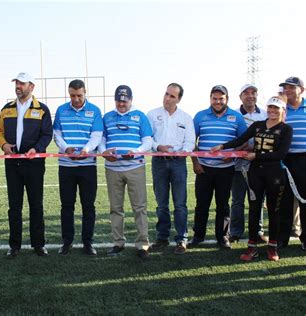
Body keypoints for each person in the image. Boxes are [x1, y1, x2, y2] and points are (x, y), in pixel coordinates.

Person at [212, 96, 292, 261]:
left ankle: (272, 246)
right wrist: (223, 146)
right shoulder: (257, 126)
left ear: (282, 110)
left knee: (273, 211)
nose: (272, 111)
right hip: (255, 173)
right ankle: (252, 247)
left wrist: (255, 155)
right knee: (254, 209)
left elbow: (281, 154)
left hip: (275, 175)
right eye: (270, 107)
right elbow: (240, 140)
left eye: (276, 108)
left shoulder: (286, 129)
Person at [0, 72, 53, 258]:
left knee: (36, 205)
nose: (18, 86)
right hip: (13, 164)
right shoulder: (7, 108)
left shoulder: (42, 109)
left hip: (34, 164)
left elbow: (46, 135)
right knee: (14, 206)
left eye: (22, 83)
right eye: (16, 83)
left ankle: (39, 245)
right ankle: (14, 246)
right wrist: (4, 145)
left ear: (31, 87)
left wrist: (36, 150)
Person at [99, 85, 153, 259]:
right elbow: (101, 140)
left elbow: (147, 141)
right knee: (116, 208)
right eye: (119, 100)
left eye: (125, 100)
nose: (122, 103)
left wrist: (136, 151)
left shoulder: (140, 116)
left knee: (139, 207)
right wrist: (104, 152)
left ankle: (142, 244)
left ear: (131, 100)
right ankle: (118, 243)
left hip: (134, 167)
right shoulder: (107, 117)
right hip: (113, 168)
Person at [190, 85, 247, 249]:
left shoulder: (236, 117)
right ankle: (198, 235)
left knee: (223, 204)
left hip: (226, 168)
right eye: (214, 98)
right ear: (210, 99)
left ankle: (222, 237)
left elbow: (243, 140)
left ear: (227, 99)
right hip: (204, 168)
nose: (217, 101)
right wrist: (196, 162)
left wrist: (231, 154)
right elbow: (190, 140)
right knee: (202, 204)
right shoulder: (200, 116)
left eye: (221, 98)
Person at [53, 79, 103, 256]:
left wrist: (86, 150)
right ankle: (67, 242)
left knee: (88, 206)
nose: (76, 99)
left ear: (85, 92)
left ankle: (87, 243)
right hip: (66, 166)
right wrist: (65, 148)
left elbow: (96, 135)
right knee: (67, 205)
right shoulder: (61, 110)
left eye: (79, 95)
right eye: (72, 95)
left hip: (87, 165)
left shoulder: (95, 110)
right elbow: (57, 134)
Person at [147, 83, 195, 255]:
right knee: (161, 204)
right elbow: (147, 139)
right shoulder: (152, 114)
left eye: (172, 96)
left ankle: (182, 239)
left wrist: (183, 152)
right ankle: (162, 237)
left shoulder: (186, 118)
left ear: (179, 99)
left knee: (180, 203)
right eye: (166, 94)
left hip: (178, 163)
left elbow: (190, 141)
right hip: (159, 162)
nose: (167, 98)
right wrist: (158, 147)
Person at [229, 84, 268, 243]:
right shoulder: (233, 114)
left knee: (257, 199)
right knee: (237, 200)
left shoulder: (265, 115)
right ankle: (236, 231)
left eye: (254, 93)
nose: (250, 96)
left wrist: (254, 147)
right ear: (240, 96)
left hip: (258, 165)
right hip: (238, 166)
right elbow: (231, 138)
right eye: (246, 93)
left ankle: (257, 231)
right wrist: (238, 147)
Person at [277, 76, 306, 250]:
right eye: (285, 88)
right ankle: (282, 238)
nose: (287, 91)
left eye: (291, 88)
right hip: (284, 159)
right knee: (284, 200)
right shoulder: (281, 109)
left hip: (304, 159)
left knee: (305, 201)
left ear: (301, 89)